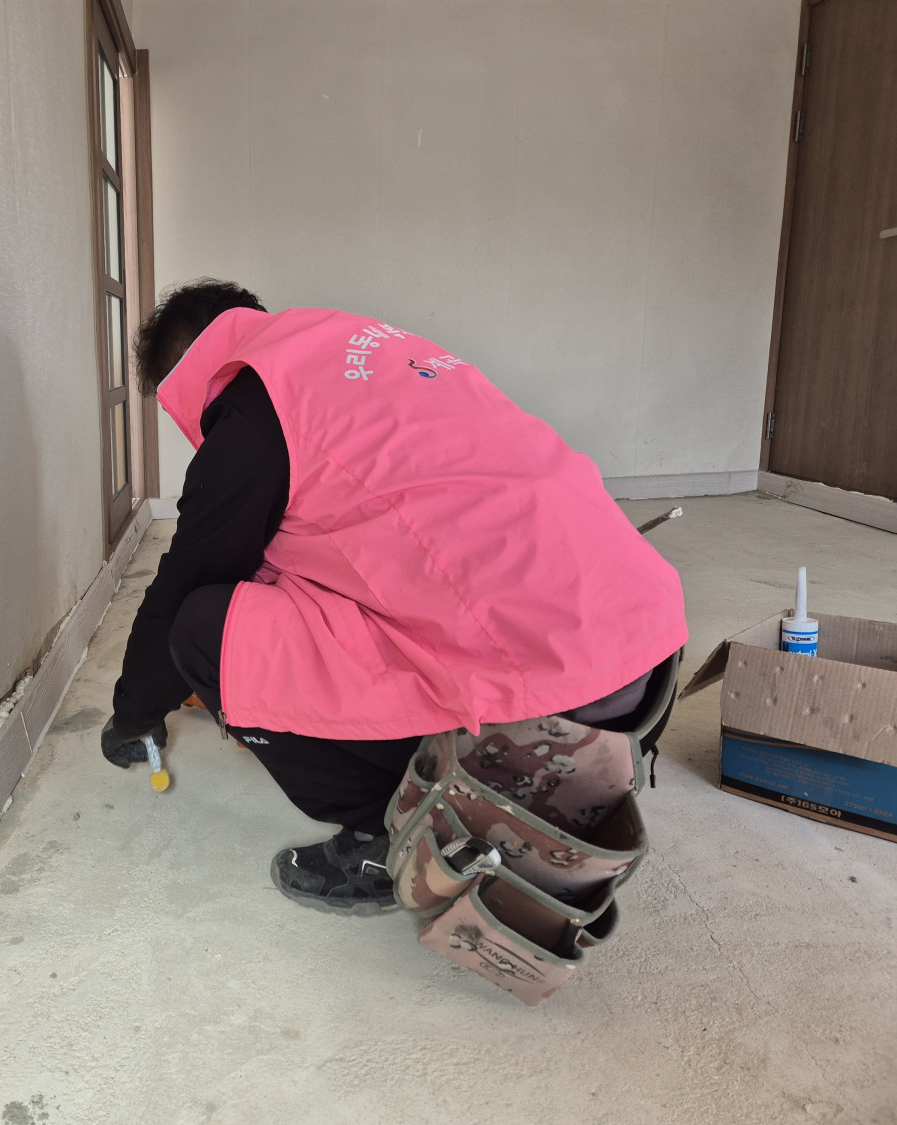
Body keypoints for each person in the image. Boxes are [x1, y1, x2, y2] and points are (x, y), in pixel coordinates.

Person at [101, 280, 688, 916]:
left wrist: (134, 714)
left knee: (203, 631)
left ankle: (389, 832)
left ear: (186, 375)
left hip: (557, 710)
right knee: (285, 572)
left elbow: (183, 585)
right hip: (644, 661)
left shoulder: (253, 410)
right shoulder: (359, 351)